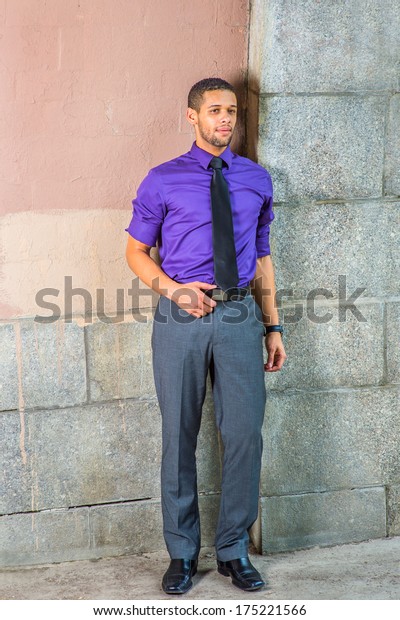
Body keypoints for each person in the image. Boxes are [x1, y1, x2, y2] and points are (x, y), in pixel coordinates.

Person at [125, 77, 286, 594]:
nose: (226, 119)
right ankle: (182, 552)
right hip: (181, 319)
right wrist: (174, 292)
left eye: (232, 111)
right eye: (215, 110)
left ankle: (234, 549)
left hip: (240, 316)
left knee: (244, 437)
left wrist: (273, 325)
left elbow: (263, 258)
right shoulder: (162, 179)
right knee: (179, 437)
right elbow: (134, 252)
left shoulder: (257, 179)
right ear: (191, 116)